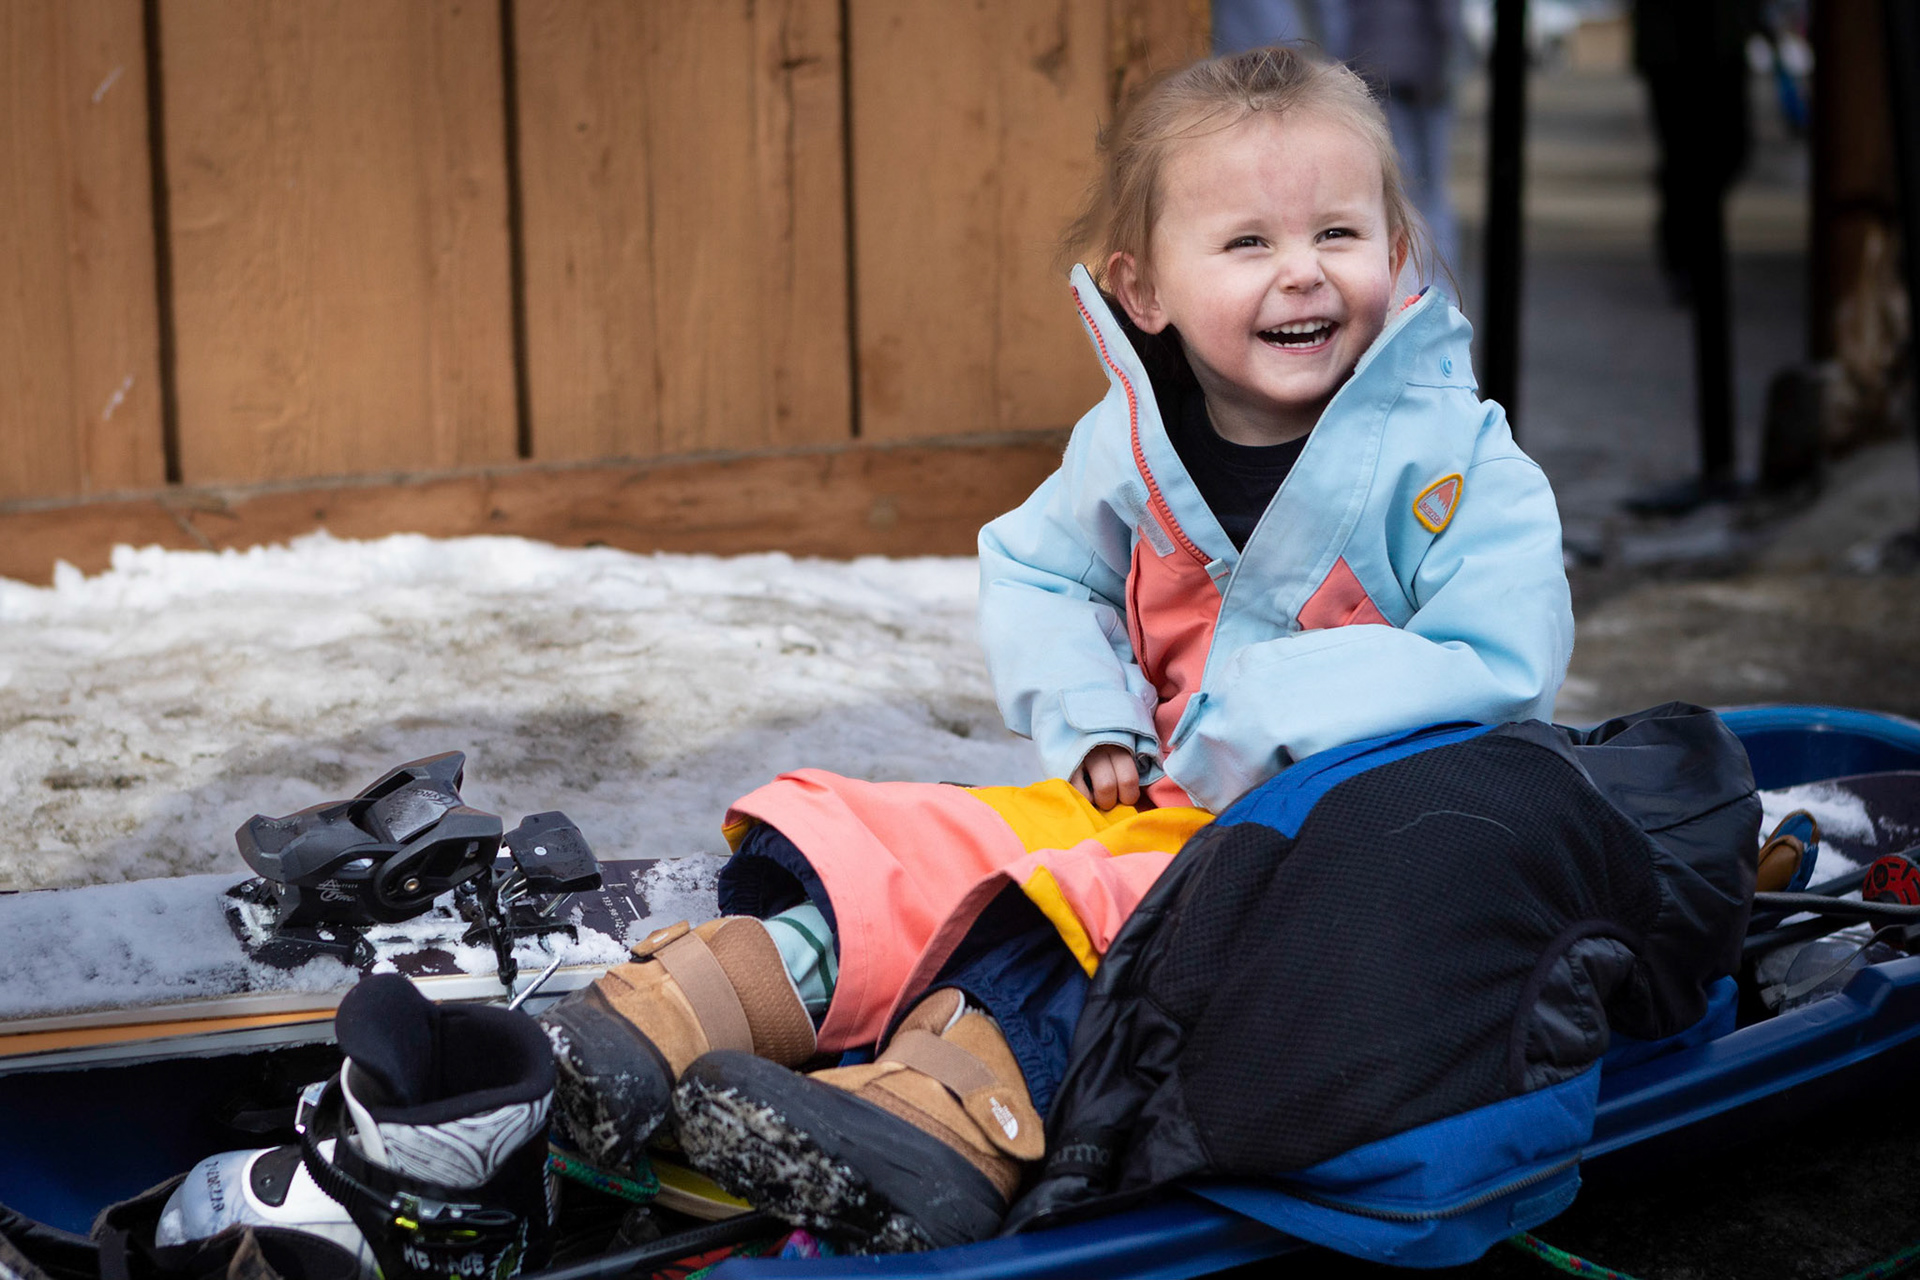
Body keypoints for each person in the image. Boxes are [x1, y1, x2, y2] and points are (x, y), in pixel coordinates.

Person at [534, 43, 1574, 1253]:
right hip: (1161, 796)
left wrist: (1274, 703)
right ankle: (713, 997)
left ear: (1396, 254)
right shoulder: (1132, 445)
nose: (1303, 274)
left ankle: (955, 1112)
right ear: (1145, 289)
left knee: (1089, 911)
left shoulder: (1452, 462)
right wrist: (1093, 713)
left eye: (1339, 234)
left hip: (1334, 849)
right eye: (1248, 244)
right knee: (944, 838)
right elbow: (1038, 565)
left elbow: (1501, 652)